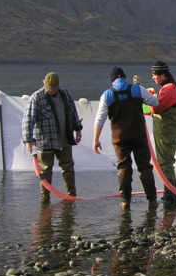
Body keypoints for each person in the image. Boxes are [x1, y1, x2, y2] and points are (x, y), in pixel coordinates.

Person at [92, 67, 160, 209]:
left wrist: (95, 139)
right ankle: (152, 200)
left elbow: (100, 119)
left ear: (112, 81)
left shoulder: (107, 95)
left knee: (123, 167)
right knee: (145, 167)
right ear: (124, 77)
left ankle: (125, 201)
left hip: (120, 138)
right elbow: (155, 102)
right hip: (139, 136)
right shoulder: (137, 89)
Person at [23, 72, 82, 205]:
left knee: (68, 168)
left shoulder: (65, 94)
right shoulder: (36, 98)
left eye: (54, 89)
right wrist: (28, 139)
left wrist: (78, 129)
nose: (51, 92)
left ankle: (72, 196)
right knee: (45, 171)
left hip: (64, 139)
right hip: (45, 141)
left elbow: (73, 112)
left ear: (59, 85)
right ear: (43, 83)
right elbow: (28, 120)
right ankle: (45, 199)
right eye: (49, 89)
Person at [149, 60, 176, 205]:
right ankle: (170, 193)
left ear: (162, 75)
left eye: (154, 75)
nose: (153, 78)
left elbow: (157, 108)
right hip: (169, 131)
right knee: (165, 163)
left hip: (167, 133)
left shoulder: (168, 89)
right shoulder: (173, 87)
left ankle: (171, 195)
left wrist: (149, 98)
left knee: (165, 164)